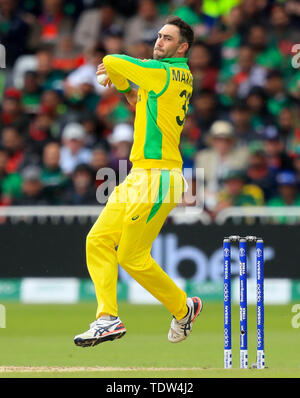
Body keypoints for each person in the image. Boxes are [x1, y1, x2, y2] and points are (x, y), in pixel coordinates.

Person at [74, 16, 203, 348]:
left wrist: (119, 70)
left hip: (160, 177)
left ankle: (183, 308)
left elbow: (111, 59)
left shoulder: (164, 72)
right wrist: (119, 82)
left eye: (168, 38)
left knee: (132, 256)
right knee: (98, 240)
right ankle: (107, 319)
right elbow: (134, 98)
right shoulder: (160, 79)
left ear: (182, 47)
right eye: (159, 36)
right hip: (137, 175)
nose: (159, 41)